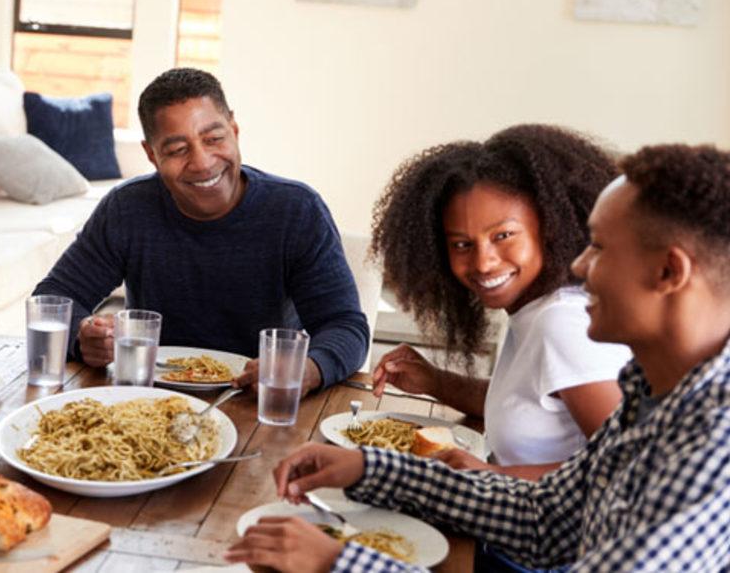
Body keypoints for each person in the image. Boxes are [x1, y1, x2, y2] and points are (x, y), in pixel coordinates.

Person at [226, 143, 730, 572]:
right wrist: (371, 468)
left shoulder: (712, 449)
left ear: (669, 272)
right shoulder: (655, 392)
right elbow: (545, 517)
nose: (579, 263)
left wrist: (340, 561)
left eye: (599, 247)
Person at [33, 68, 369, 394]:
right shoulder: (128, 208)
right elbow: (54, 299)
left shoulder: (296, 211)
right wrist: (81, 338)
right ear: (151, 155)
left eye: (214, 139)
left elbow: (345, 326)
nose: (203, 162)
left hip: (257, 401)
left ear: (234, 129)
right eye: (178, 150)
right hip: (149, 398)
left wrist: (306, 369)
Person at [369, 125, 631, 480]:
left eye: (503, 236)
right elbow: (528, 408)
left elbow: (628, 468)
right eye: (462, 244)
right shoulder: (534, 308)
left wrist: (489, 474)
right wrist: (435, 381)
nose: (483, 262)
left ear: (551, 226)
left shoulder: (562, 323)